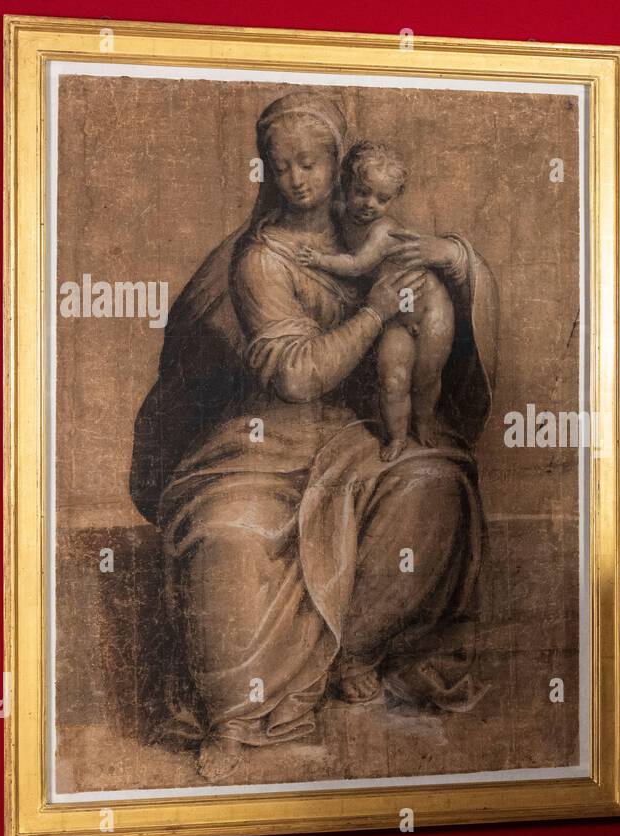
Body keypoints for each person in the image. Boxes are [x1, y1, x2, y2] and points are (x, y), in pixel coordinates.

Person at [128, 92, 500, 781]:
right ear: (266, 172)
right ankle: (245, 715)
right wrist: (377, 315)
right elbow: (297, 376)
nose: (297, 179)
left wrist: (458, 262)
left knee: (435, 486)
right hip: (259, 447)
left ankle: (357, 652)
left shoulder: (370, 233)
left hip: (359, 437)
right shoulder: (260, 260)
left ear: (339, 162)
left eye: (311, 163)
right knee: (228, 536)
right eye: (281, 166)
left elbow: (438, 297)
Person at [295, 141, 456, 461]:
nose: (370, 204)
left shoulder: (382, 231)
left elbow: (357, 266)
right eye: (362, 192)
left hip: (430, 309)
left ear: (394, 198)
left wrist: (317, 260)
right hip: (396, 317)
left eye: (383, 199)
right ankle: (396, 437)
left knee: (426, 377)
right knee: (393, 381)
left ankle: (423, 422)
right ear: (347, 185)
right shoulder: (340, 214)